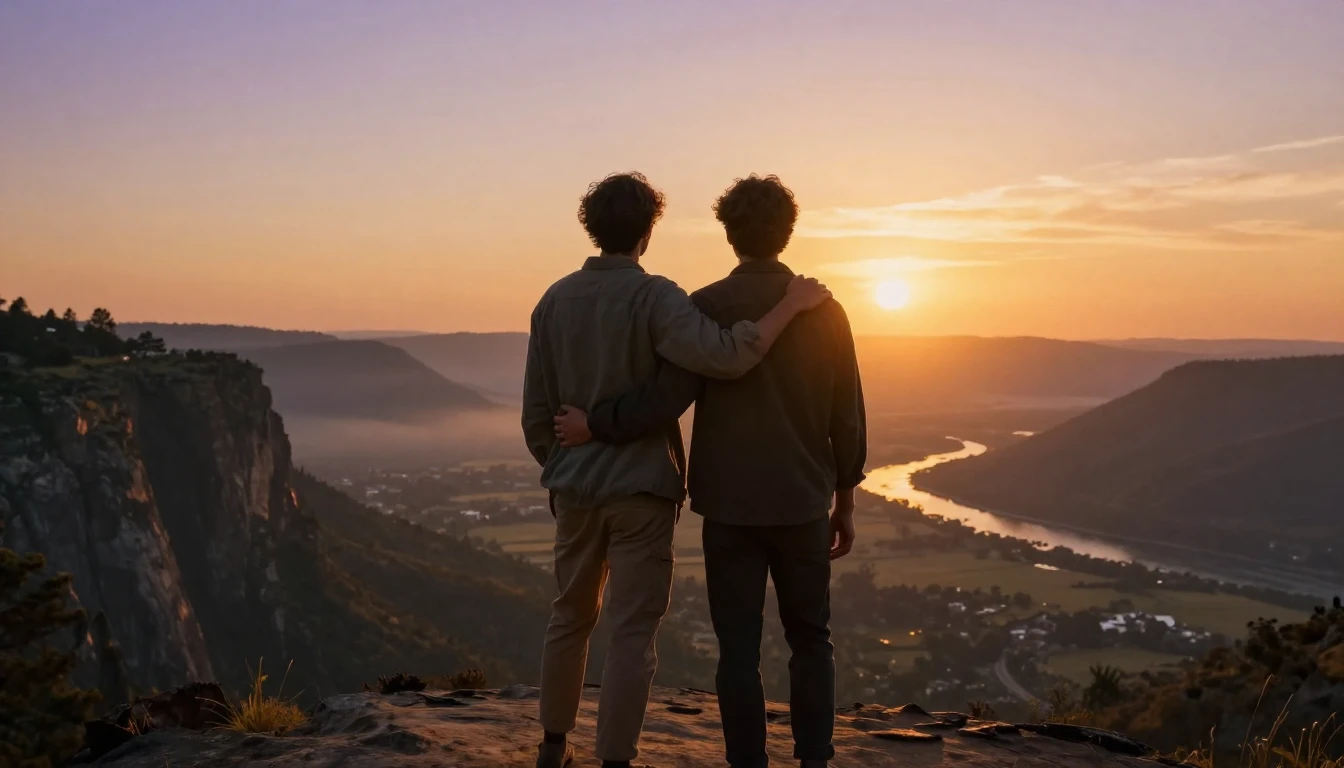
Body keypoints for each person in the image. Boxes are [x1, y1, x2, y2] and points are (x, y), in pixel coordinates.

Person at [553, 174, 867, 768]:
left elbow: (664, 400)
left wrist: (597, 423)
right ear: (788, 231)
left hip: (728, 506)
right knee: (811, 638)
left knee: (737, 650)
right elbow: (846, 418)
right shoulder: (826, 310)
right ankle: (814, 761)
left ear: (728, 233)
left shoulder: (705, 306)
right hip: (802, 501)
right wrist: (844, 504)